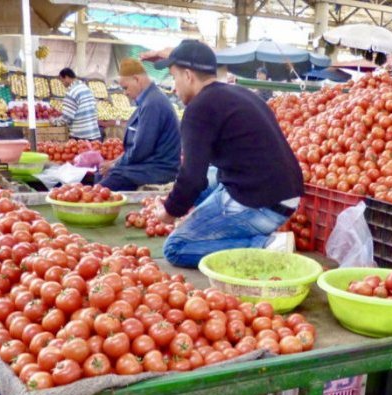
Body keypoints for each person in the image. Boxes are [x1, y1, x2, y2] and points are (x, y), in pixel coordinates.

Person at [150, 40, 304, 268]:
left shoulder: (198, 108)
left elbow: (192, 177)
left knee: (176, 248)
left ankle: (266, 247)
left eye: (174, 78)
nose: (174, 87)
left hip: (263, 204)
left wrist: (170, 212)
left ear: (188, 76)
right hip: (286, 194)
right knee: (212, 174)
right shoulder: (240, 94)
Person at [98, 58, 181, 191]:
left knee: (101, 188)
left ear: (137, 79)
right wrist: (115, 163)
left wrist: (116, 165)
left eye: (125, 87)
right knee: (101, 176)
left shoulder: (152, 104)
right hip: (147, 166)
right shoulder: (149, 100)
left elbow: (141, 150)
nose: (125, 93)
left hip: (157, 170)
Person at [57, 68, 101, 141]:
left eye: (62, 80)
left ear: (67, 77)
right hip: (93, 133)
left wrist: (56, 122)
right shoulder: (86, 88)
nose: (63, 83)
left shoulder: (71, 92)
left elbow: (67, 117)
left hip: (80, 135)